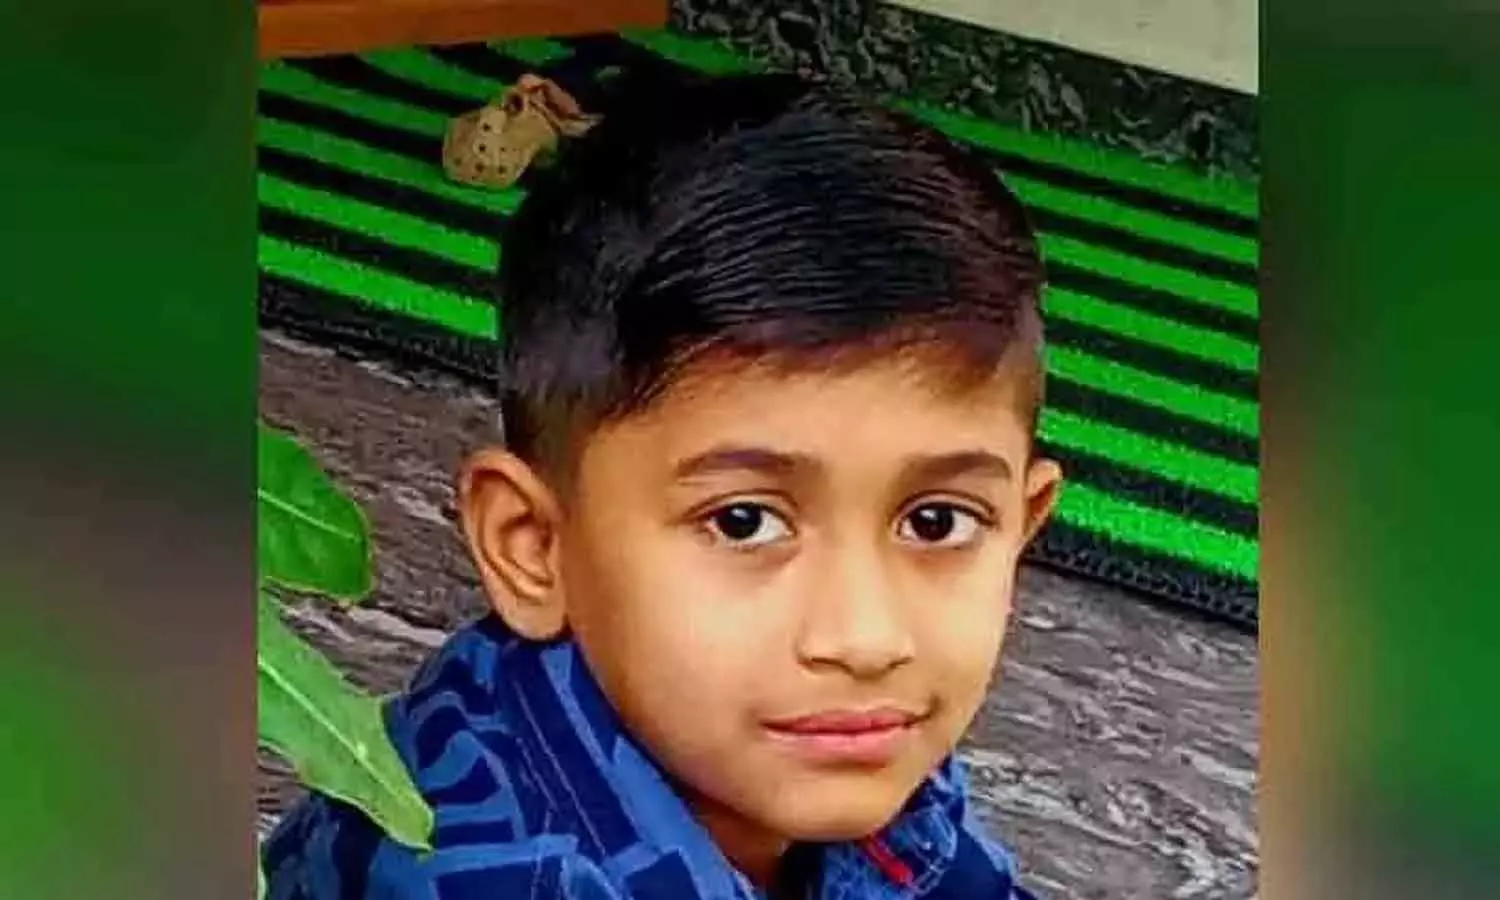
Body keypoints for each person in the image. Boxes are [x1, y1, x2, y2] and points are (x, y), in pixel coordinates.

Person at [263, 70, 1062, 900]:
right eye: (745, 521)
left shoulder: (838, 734)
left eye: (936, 522)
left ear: (1022, 524)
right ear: (533, 546)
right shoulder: (502, 877)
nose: (865, 638)